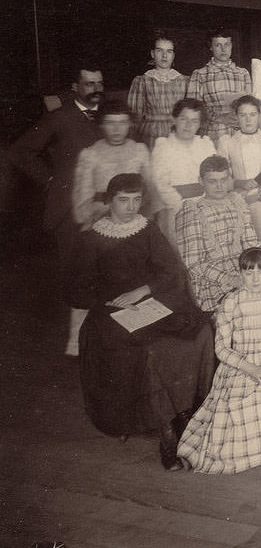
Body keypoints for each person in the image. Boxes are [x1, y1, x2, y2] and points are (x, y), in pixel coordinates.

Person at [69, 173, 213, 470]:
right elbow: (75, 290)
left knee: (198, 332)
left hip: (149, 301)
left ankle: (185, 410)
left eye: (136, 201)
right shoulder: (91, 239)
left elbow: (171, 271)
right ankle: (166, 428)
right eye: (123, 201)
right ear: (108, 201)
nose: (131, 207)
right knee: (150, 349)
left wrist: (143, 291)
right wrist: (111, 299)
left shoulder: (146, 230)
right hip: (111, 313)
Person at [177, 247, 261, 473]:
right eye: (249, 273)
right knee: (246, 409)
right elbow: (221, 348)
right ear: (240, 274)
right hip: (241, 365)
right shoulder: (231, 302)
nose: (255, 279)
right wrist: (250, 368)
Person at [9, 64, 102, 355]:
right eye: (88, 84)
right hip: (69, 206)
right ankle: (76, 340)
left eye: (99, 83)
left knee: (102, 268)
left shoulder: (108, 118)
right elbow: (20, 151)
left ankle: (99, 336)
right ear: (76, 87)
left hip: (102, 206)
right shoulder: (59, 118)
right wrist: (50, 179)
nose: (95, 89)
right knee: (76, 271)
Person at [175, 156, 261, 314]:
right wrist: (230, 279)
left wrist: (258, 269)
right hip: (213, 281)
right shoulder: (192, 211)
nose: (220, 186)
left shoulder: (238, 203)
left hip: (245, 270)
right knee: (247, 307)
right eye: (212, 181)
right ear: (201, 181)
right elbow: (194, 263)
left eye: (224, 179)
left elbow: (252, 245)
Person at [72, 101, 154, 231]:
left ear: (129, 124)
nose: (117, 129)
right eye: (110, 123)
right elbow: (82, 199)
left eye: (122, 122)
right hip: (101, 217)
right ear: (102, 125)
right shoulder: (90, 154)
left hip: (136, 215)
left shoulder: (140, 150)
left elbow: (150, 190)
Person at [150, 98, 216, 245]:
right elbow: (160, 183)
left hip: (204, 206)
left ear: (200, 124)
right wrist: (184, 208)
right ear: (174, 119)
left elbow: (214, 176)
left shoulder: (205, 144)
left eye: (194, 121)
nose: (188, 125)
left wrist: (205, 203)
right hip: (175, 209)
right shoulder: (164, 146)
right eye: (183, 119)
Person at [215, 95, 261, 239]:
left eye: (252, 114)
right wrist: (241, 184)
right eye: (243, 115)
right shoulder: (227, 142)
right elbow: (221, 178)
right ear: (236, 117)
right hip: (238, 199)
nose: (248, 119)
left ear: (259, 115)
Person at [187, 28, 252, 143]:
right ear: (211, 47)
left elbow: (251, 106)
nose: (223, 49)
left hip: (240, 134)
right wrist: (220, 118)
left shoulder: (243, 73)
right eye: (218, 45)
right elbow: (193, 108)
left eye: (227, 44)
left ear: (231, 45)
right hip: (213, 134)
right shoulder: (200, 74)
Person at [127, 32, 189, 146]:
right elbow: (134, 117)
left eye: (169, 51)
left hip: (176, 133)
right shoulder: (142, 81)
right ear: (152, 53)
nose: (164, 56)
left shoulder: (185, 81)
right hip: (150, 135)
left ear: (173, 55)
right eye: (159, 50)